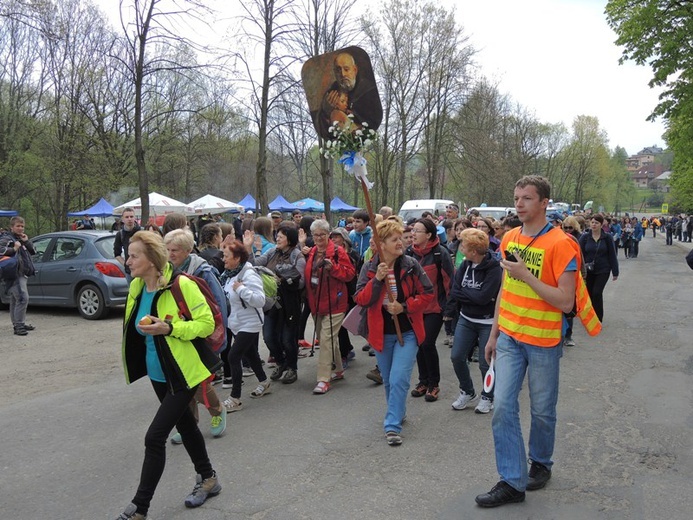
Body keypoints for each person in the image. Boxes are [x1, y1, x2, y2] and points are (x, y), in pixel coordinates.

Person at [476, 176, 578, 508]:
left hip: (545, 341)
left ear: (544, 202)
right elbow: (506, 289)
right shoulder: (509, 238)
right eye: (516, 197)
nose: (519, 204)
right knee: (503, 407)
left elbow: (565, 302)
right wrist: (494, 333)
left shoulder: (562, 244)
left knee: (542, 411)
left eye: (527, 198)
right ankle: (512, 481)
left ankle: (541, 462)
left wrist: (528, 276)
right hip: (510, 338)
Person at [116, 231, 221, 520]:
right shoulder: (138, 285)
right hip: (157, 373)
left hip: (183, 372)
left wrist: (170, 328)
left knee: (154, 437)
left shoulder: (181, 284)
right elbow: (136, 325)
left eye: (134, 255)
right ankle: (209, 477)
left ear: (151, 259)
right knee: (186, 426)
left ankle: (140, 507)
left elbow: (206, 324)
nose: (128, 260)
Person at [354, 219, 434, 446]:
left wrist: (405, 306)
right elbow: (361, 299)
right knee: (389, 380)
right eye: (395, 239)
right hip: (380, 334)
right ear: (381, 244)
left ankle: (392, 426)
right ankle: (397, 411)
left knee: (399, 379)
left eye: (401, 238)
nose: (401, 242)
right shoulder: (370, 267)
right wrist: (377, 280)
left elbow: (428, 293)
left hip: (407, 332)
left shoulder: (410, 265)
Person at [163, 229, 228, 443]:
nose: (169, 254)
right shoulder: (166, 271)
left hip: (198, 335)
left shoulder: (203, 271)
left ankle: (218, 412)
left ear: (188, 251)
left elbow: (218, 306)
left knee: (199, 383)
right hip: (176, 335)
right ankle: (190, 424)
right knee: (181, 383)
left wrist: (218, 339)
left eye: (175, 250)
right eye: (167, 250)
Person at [445, 228, 502, 414]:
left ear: (473, 251)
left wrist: (465, 294)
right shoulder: (466, 265)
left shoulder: (494, 268)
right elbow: (455, 289)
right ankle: (467, 391)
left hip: (488, 322)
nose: (460, 247)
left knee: (486, 362)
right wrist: (469, 295)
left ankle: (488, 396)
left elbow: (484, 298)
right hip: (466, 318)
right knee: (457, 356)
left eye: (464, 245)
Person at [247, 225, 306, 384]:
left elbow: (301, 283)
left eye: (281, 236)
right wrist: (249, 248)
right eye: (277, 235)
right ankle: (281, 363)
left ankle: (291, 368)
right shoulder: (272, 251)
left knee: (288, 339)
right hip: (270, 303)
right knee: (268, 337)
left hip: (289, 304)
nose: (278, 238)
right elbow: (253, 264)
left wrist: (283, 280)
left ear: (290, 239)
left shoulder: (297, 256)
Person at [304, 219, 355, 394]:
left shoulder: (338, 252)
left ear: (328, 235)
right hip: (317, 304)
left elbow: (349, 274)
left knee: (325, 340)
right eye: (315, 235)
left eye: (322, 235)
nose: (318, 238)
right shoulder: (311, 252)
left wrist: (333, 268)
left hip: (336, 303)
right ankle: (338, 369)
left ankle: (323, 379)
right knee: (327, 339)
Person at [220, 240, 271, 413]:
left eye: (227, 256)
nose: (223, 259)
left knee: (233, 357)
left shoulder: (249, 274)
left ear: (237, 258)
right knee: (251, 355)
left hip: (250, 323)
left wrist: (241, 289)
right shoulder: (228, 274)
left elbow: (259, 300)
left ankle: (235, 398)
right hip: (237, 323)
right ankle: (264, 382)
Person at [405, 218, 453, 402]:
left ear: (429, 235)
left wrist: (449, 308)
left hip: (435, 307)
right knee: (418, 343)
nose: (413, 234)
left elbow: (449, 282)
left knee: (426, 343)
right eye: (413, 230)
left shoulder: (441, 254)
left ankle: (434, 384)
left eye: (417, 231)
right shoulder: (409, 254)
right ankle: (423, 381)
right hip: (414, 307)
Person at [315, 51, 383, 139]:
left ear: (355, 70)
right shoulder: (331, 93)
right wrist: (326, 112)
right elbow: (322, 129)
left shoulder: (368, 90)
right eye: (338, 70)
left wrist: (350, 113)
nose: (343, 74)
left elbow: (374, 120)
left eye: (346, 69)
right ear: (335, 72)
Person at [0, 216, 36, 335]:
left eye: (22, 226)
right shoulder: (7, 238)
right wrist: (14, 249)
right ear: (12, 227)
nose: (20, 228)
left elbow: (33, 251)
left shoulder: (20, 238)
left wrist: (26, 241)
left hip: (22, 273)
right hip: (13, 273)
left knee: (16, 299)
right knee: (22, 298)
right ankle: (19, 326)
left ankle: (19, 323)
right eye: (18, 226)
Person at [579, 214, 619, 322]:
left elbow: (612, 254)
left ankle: (598, 318)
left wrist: (615, 272)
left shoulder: (607, 237)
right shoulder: (585, 237)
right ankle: (589, 317)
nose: (593, 225)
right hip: (588, 270)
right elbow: (579, 254)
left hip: (603, 270)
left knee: (597, 292)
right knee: (589, 294)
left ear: (601, 224)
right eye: (592, 222)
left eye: (596, 223)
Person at [114, 208, 141, 283]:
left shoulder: (142, 232)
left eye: (131, 217)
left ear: (135, 218)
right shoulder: (120, 234)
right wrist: (126, 264)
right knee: (132, 294)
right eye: (127, 217)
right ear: (122, 219)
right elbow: (117, 254)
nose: (129, 219)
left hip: (142, 271)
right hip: (130, 273)